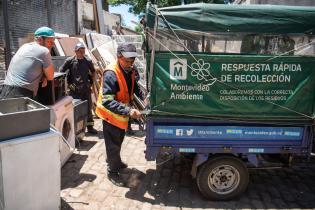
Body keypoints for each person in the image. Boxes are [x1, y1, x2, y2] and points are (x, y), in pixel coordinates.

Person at [95, 43, 143, 186]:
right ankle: (112, 171)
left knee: (119, 141)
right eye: (127, 60)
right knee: (112, 145)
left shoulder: (131, 70)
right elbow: (107, 101)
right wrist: (129, 111)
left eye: (132, 60)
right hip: (110, 115)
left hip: (121, 114)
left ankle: (116, 161)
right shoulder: (111, 73)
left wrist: (143, 97)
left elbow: (134, 87)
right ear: (119, 57)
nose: (130, 63)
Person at [0, 26, 55, 99]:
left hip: (5, 89)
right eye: (49, 41)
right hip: (21, 94)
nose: (52, 44)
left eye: (53, 41)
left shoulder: (24, 46)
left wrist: (43, 76)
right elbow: (51, 76)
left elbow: (29, 69)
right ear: (40, 39)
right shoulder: (44, 51)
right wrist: (45, 76)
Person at [60, 42, 97, 134]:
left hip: (85, 89)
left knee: (88, 108)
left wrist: (91, 83)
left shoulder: (88, 61)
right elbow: (61, 71)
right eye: (79, 50)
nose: (81, 52)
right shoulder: (70, 61)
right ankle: (75, 128)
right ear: (75, 51)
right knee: (75, 109)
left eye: (83, 50)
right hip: (74, 90)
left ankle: (90, 127)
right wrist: (67, 84)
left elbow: (93, 72)